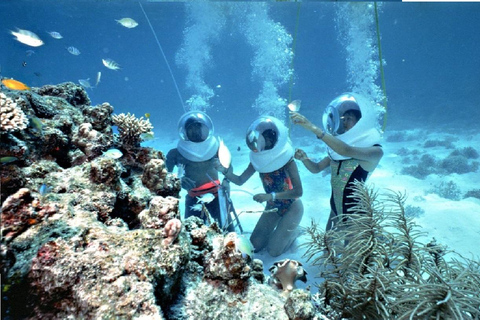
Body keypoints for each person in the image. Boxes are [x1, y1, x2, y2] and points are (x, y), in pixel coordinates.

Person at [290, 93, 384, 231]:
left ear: (360, 123)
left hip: (356, 216)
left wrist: (311, 127)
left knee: (351, 252)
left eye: (349, 119)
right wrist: (305, 158)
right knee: (328, 251)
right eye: (343, 119)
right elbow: (316, 169)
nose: (344, 123)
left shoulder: (375, 152)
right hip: (335, 211)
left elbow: (346, 150)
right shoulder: (336, 153)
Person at [216, 116, 303, 257]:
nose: (264, 143)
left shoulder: (288, 161)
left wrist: (271, 196)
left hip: (293, 206)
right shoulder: (258, 160)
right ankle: (282, 230)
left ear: (275, 141)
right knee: (254, 245)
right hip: (273, 206)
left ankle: (295, 230)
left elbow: (298, 192)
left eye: (268, 139)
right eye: (263, 138)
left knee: (274, 251)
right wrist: (224, 170)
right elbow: (240, 180)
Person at [166, 111, 234, 231]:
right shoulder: (176, 154)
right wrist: (178, 180)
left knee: (228, 231)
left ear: (207, 130)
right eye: (191, 129)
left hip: (217, 196)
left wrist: (226, 180)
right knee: (193, 235)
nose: (196, 132)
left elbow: (229, 167)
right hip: (193, 198)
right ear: (184, 132)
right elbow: (165, 175)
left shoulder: (216, 148)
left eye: (199, 128)